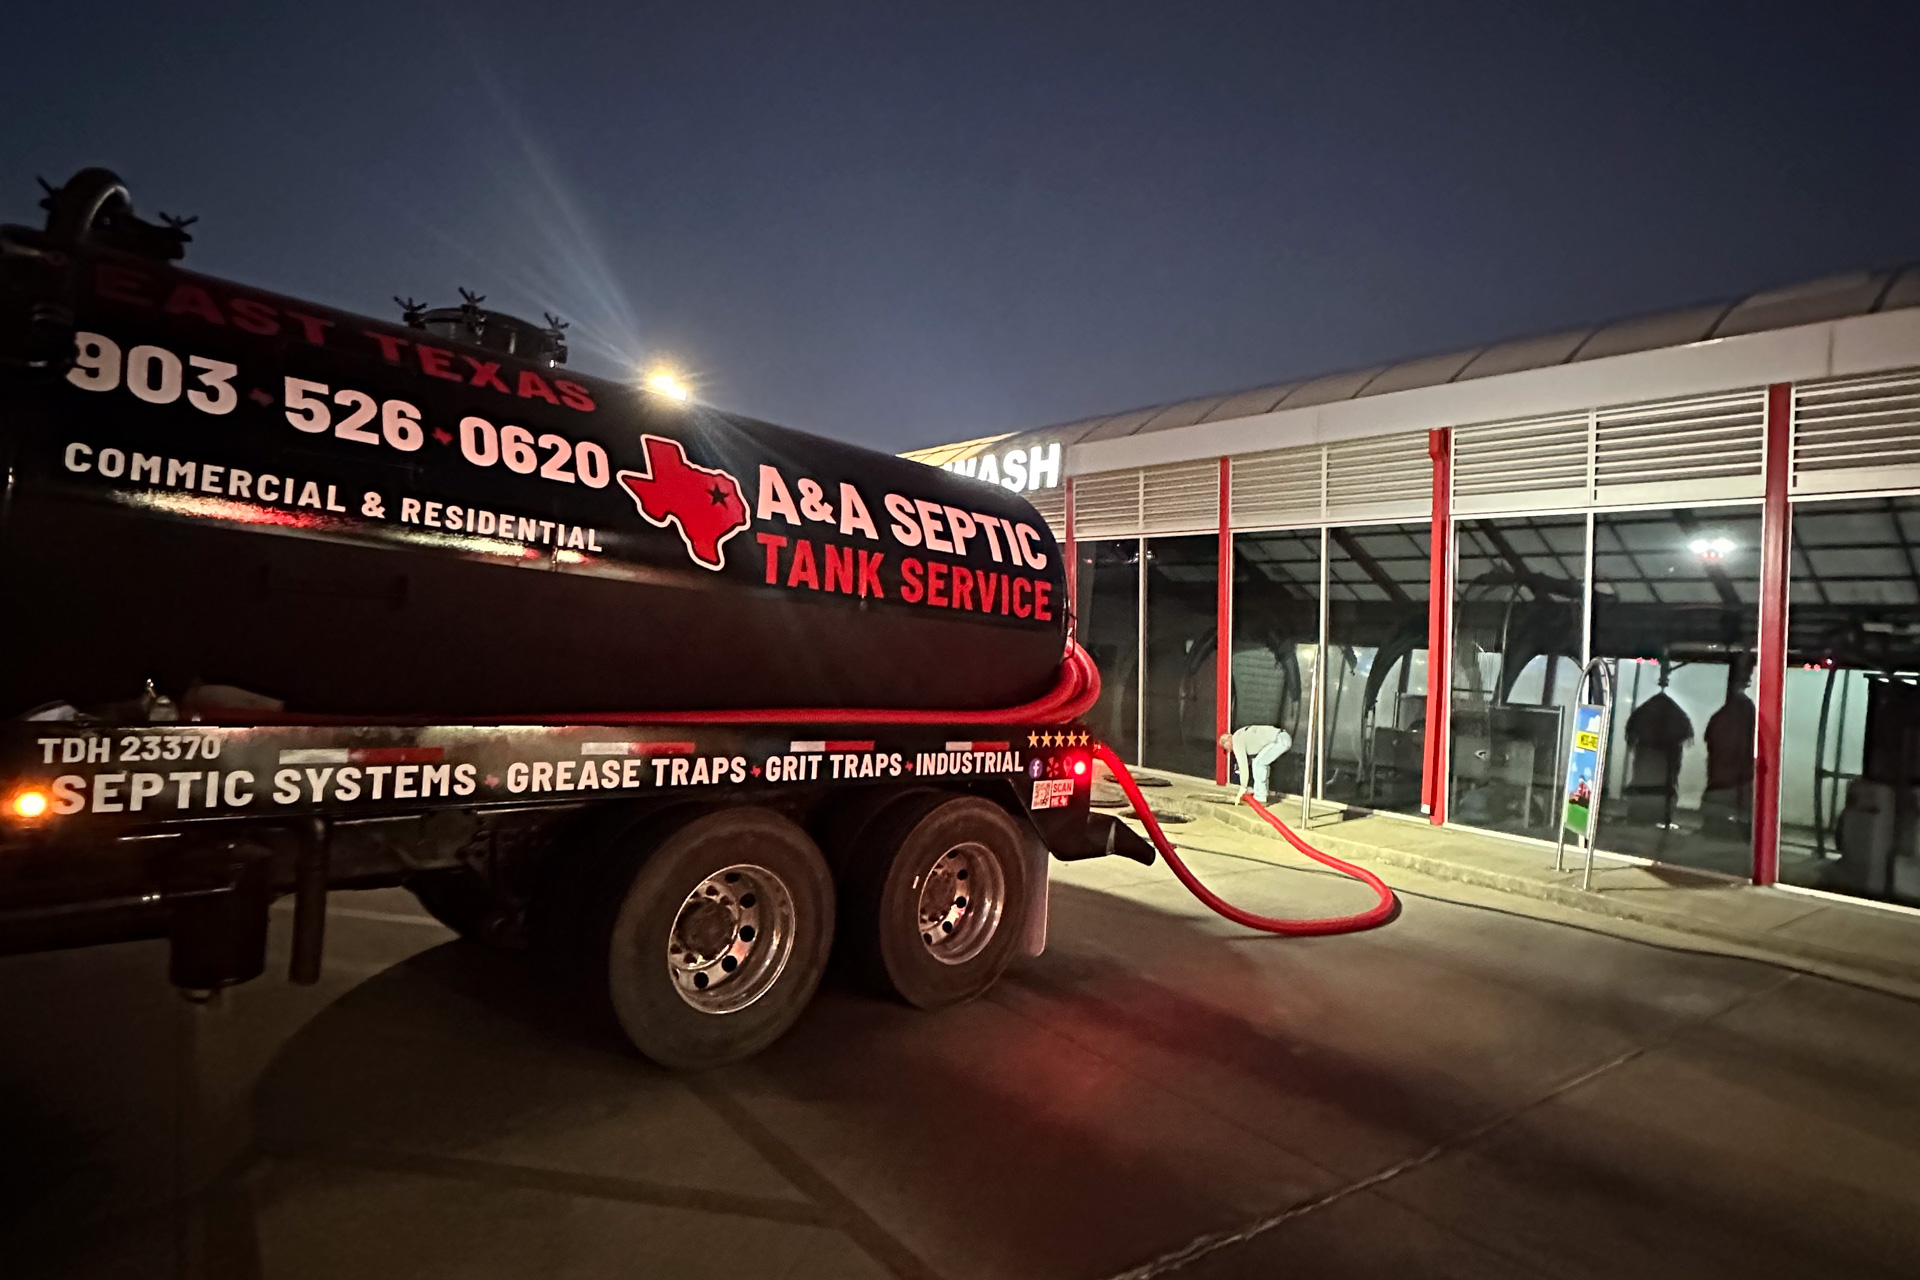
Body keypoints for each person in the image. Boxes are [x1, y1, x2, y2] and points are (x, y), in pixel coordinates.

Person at [1221, 724, 1292, 803]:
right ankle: (1263, 794)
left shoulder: (1236, 741)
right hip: (1282, 737)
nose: (1229, 750)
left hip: (1279, 740)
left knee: (1258, 764)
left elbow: (1243, 767)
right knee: (1260, 763)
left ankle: (1260, 797)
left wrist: (1242, 788)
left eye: (1225, 747)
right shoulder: (1240, 734)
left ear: (1227, 741)